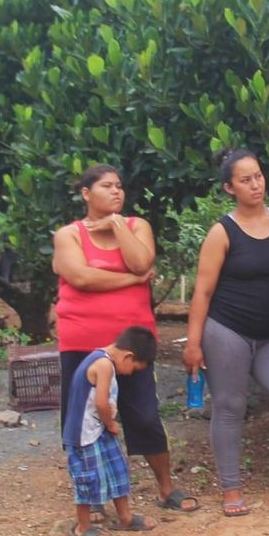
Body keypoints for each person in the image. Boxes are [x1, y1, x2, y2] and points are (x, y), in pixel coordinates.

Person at [53, 164, 197, 513]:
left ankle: (165, 489)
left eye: (119, 186)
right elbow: (81, 278)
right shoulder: (68, 234)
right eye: (106, 186)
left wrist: (117, 225)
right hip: (82, 340)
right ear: (86, 194)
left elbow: (140, 260)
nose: (116, 191)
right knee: (83, 418)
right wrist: (133, 281)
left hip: (132, 341)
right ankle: (93, 496)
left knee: (144, 414)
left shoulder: (136, 226)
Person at [183, 150, 269, 517]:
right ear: (229, 188)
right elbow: (202, 291)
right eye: (245, 180)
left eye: (258, 176)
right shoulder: (222, 232)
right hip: (226, 330)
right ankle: (231, 487)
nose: (256, 184)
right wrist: (193, 343)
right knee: (229, 405)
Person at [63, 326, 161, 536]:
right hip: (85, 434)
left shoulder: (105, 361)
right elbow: (100, 402)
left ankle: (125, 517)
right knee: (87, 478)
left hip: (100, 430)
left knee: (117, 469)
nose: (131, 373)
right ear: (128, 356)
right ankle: (83, 526)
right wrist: (111, 423)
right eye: (134, 367)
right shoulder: (104, 364)